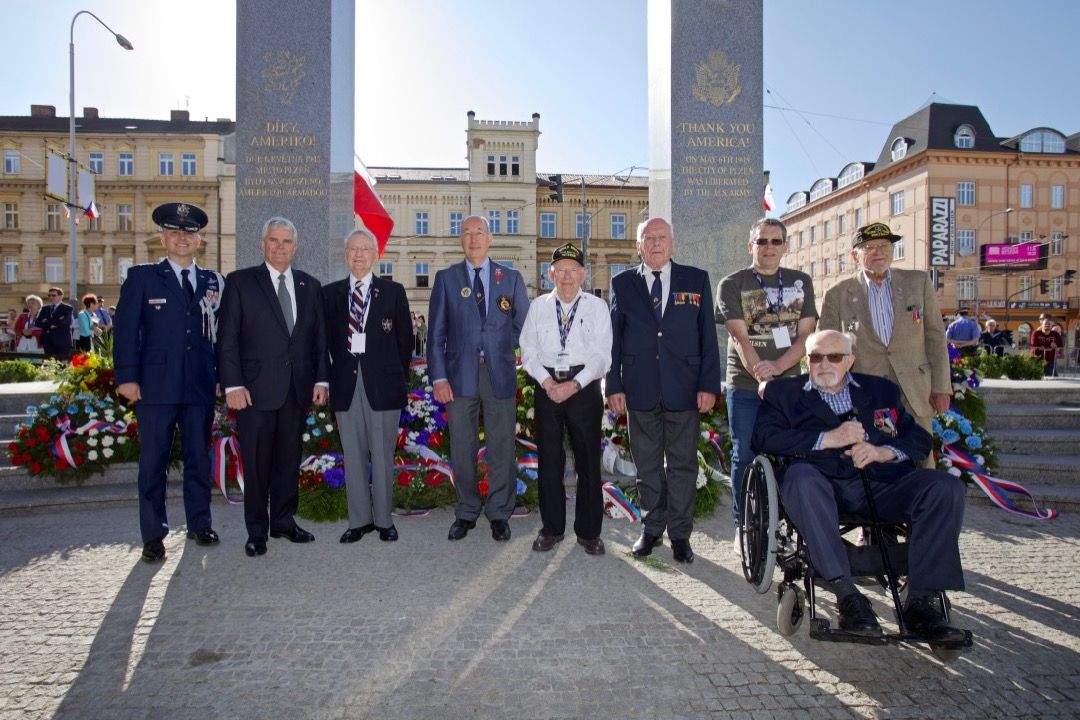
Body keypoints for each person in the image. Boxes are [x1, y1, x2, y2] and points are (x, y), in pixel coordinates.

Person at [752, 329, 966, 641]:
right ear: (806, 361)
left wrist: (884, 451)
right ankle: (847, 595)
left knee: (945, 488)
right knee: (799, 478)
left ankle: (921, 601)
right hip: (820, 488)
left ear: (850, 360)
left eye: (835, 356)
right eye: (815, 357)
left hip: (881, 485)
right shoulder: (784, 393)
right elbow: (764, 438)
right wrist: (828, 439)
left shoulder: (881, 391)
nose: (824, 364)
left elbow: (918, 439)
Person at [606, 217, 723, 564]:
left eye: (661, 237)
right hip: (639, 389)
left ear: (672, 243)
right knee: (647, 466)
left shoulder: (696, 279)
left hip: (684, 389)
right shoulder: (622, 283)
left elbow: (707, 339)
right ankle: (652, 529)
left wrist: (708, 385)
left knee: (683, 465)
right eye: (648, 238)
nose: (655, 243)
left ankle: (681, 535)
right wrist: (613, 384)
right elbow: (613, 340)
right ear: (638, 245)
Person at [114, 202, 224, 563]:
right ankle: (153, 534)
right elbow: (126, 332)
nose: (182, 239)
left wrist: (222, 378)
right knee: (154, 461)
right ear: (162, 237)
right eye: (174, 232)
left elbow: (222, 337)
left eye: (189, 233)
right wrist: (127, 378)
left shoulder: (212, 282)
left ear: (199, 240)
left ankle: (199, 522)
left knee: (197, 457)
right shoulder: (142, 278)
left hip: (198, 385)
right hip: (155, 386)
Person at [217, 216, 329, 558]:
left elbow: (318, 339)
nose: (280, 247)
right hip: (253, 391)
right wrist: (232, 383)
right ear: (263, 244)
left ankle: (283, 521)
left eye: (286, 242)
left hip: (296, 390)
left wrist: (321, 379)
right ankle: (256, 530)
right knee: (256, 462)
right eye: (274, 241)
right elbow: (227, 340)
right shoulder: (240, 283)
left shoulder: (310, 286)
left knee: (287, 460)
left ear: (296, 247)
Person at [427, 215, 529, 542]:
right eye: (467, 233)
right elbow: (436, 335)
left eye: (479, 232)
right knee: (462, 446)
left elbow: (523, 328)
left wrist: (501, 347)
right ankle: (467, 510)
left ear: (490, 238)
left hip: (498, 374)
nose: (473, 238)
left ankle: (499, 512)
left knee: (501, 445)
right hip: (458, 378)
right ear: (460, 239)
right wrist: (439, 377)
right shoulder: (446, 279)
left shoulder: (510, 278)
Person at [717, 218, 817, 539]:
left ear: (785, 247)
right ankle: (744, 526)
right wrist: (762, 372)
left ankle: (788, 521)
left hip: (787, 384)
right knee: (743, 453)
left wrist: (777, 370)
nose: (769, 247)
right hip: (745, 383)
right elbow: (740, 338)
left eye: (776, 241)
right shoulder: (733, 284)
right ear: (751, 246)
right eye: (762, 241)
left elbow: (805, 337)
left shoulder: (801, 282)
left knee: (790, 452)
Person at [519, 243, 612, 556]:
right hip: (547, 387)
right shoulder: (538, 307)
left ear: (583, 274)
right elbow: (528, 351)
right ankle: (551, 529)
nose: (567, 276)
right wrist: (547, 382)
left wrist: (573, 384)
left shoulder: (597, 308)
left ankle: (589, 533)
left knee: (588, 462)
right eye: (561, 270)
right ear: (551, 274)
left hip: (583, 388)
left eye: (573, 270)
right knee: (550, 461)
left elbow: (602, 357)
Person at [322, 229, 413, 544]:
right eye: (353, 249)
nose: (359, 255)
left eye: (365, 249)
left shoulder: (393, 292)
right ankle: (358, 521)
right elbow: (322, 345)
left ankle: (385, 520)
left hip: (384, 388)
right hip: (346, 386)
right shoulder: (330, 294)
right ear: (345, 254)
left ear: (376, 255)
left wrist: (394, 377)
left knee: (384, 454)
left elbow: (406, 343)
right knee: (354, 454)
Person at [820, 222, 950, 436]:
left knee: (922, 453)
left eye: (885, 246)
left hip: (915, 390)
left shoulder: (918, 282)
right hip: (871, 391)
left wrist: (942, 387)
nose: (879, 252)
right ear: (855, 256)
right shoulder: (837, 294)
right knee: (882, 452)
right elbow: (826, 346)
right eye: (870, 248)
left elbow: (936, 337)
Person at [36, 287, 73, 357]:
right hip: (47, 341)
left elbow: (64, 322)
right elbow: (38, 323)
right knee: (48, 364)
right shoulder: (45, 308)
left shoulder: (67, 308)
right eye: (49, 295)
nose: (51, 297)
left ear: (61, 296)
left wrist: (46, 321)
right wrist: (55, 322)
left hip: (62, 341)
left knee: (61, 365)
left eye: (53, 295)